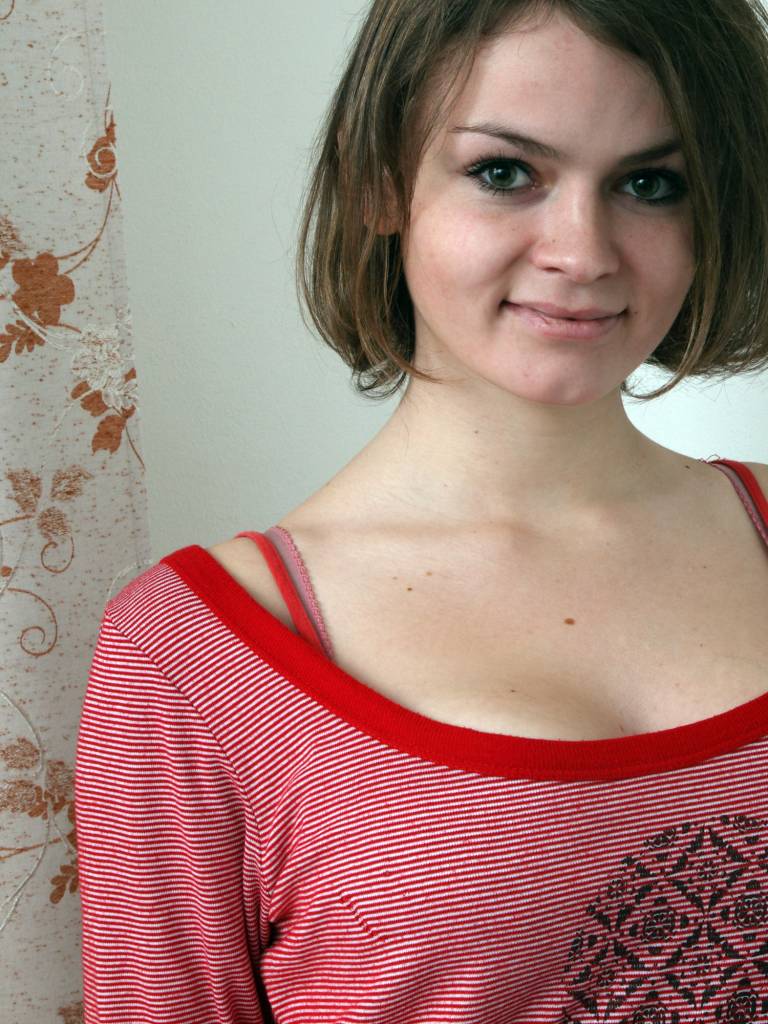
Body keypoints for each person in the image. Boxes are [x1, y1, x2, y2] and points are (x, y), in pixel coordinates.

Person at [74, 1, 768, 1021]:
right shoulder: (195, 652)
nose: (582, 252)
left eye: (650, 184)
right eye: (505, 172)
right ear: (378, 181)